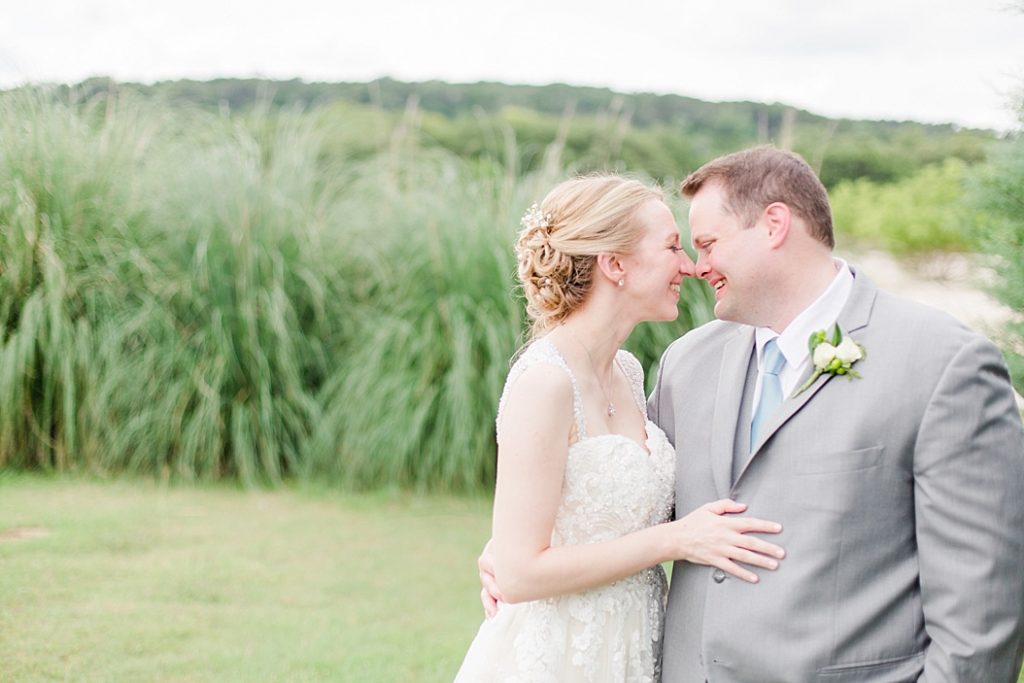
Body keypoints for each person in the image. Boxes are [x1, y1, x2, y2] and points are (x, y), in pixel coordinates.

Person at [482, 146, 1024, 682]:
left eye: (708, 243)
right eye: (683, 247)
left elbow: (982, 611)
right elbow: (614, 487)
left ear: (774, 225)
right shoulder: (686, 363)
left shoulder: (939, 364)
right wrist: (510, 550)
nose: (697, 266)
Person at [454, 174, 786, 682]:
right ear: (614, 264)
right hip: (562, 654)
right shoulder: (545, 383)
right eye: (673, 246)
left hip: (633, 646)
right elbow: (519, 574)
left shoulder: (628, 372)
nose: (690, 266)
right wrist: (675, 541)